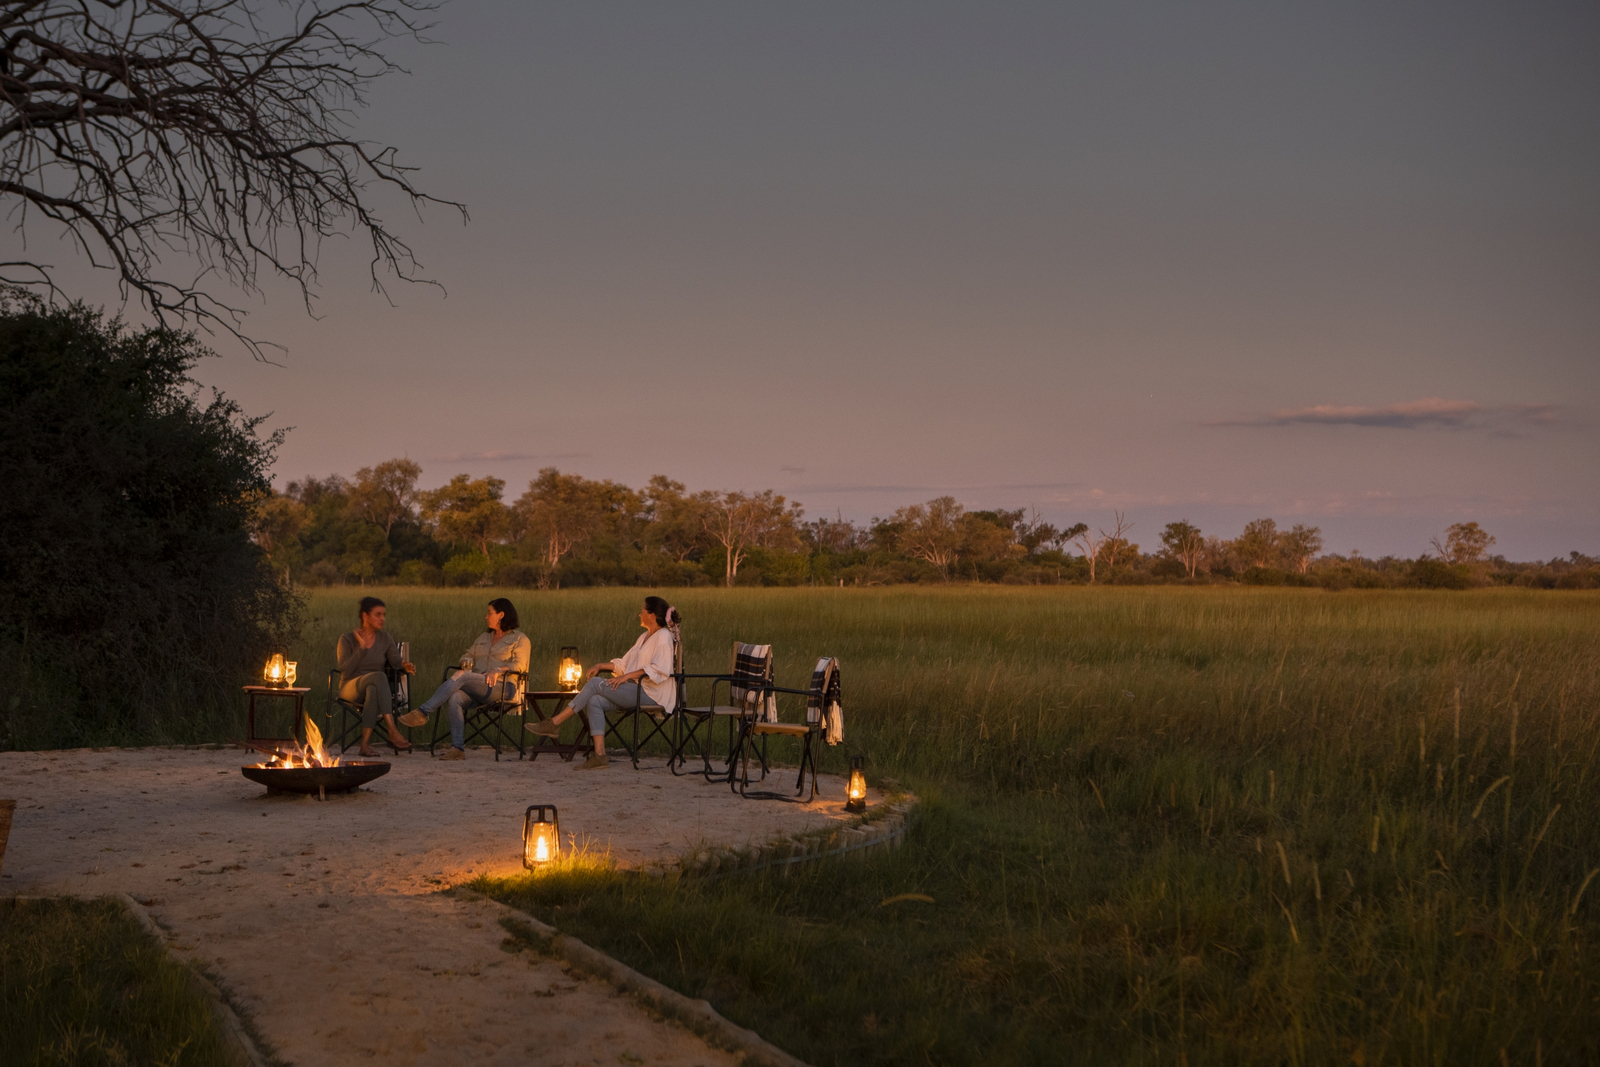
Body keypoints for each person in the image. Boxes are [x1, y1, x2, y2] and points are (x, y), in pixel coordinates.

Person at [527, 596, 679, 770]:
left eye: (642, 610)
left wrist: (627, 677)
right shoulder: (644, 637)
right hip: (634, 690)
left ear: (652, 615)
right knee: (594, 701)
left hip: (652, 694)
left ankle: (555, 723)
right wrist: (600, 665)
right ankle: (600, 756)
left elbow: (660, 669)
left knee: (594, 684)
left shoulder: (663, 637)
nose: (639, 614)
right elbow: (624, 664)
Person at [400, 598, 531, 761]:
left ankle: (423, 712)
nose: (486, 617)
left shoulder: (519, 639)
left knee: (463, 676)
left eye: (489, 613)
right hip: (478, 685)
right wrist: (465, 662)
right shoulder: (484, 637)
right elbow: (468, 655)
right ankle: (457, 749)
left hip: (503, 687)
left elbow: (519, 665)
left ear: (501, 615)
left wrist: (498, 670)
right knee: (455, 697)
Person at [336, 596, 417, 757]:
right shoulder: (347, 639)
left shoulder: (384, 638)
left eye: (384, 615)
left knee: (373, 689)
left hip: (374, 687)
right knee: (379, 677)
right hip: (350, 687)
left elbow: (395, 661)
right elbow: (345, 670)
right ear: (365, 616)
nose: (382, 619)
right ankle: (392, 730)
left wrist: (404, 665)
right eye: (378, 614)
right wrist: (361, 648)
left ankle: (364, 746)